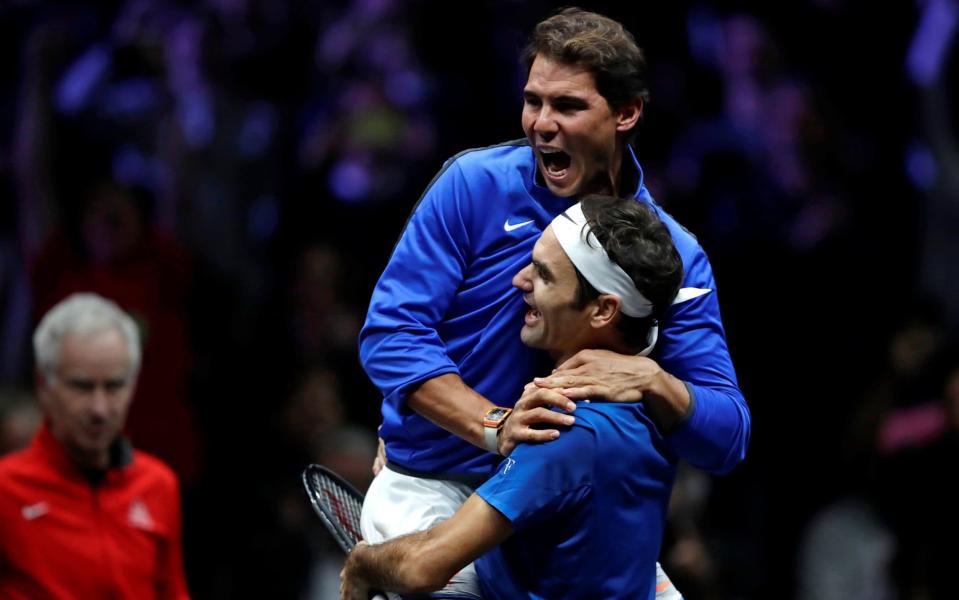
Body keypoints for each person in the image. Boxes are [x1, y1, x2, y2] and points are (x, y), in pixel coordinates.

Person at [358, 7, 750, 598]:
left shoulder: (672, 254)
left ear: (627, 113)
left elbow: (726, 437)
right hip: (441, 486)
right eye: (533, 101)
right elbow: (390, 335)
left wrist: (654, 380)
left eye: (567, 106)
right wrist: (492, 425)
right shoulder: (472, 186)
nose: (541, 124)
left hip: (575, 510)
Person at [343, 195, 684, 599]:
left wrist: (363, 564)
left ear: (602, 311)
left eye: (543, 275)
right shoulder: (658, 402)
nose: (519, 280)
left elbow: (422, 568)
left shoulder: (562, 428)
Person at [0, 293, 191, 600]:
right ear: (43, 386)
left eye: (114, 386)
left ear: (134, 386)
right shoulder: (5, 491)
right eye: (82, 386)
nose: (99, 408)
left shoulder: (158, 486)